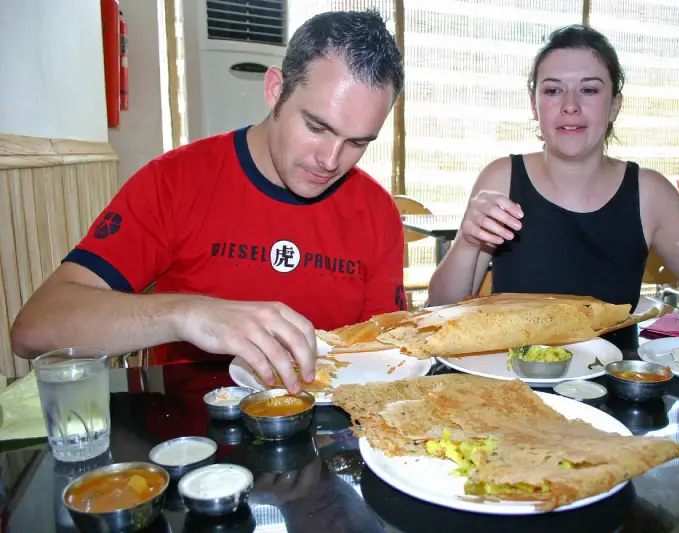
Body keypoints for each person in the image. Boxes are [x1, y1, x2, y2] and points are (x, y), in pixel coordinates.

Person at [11, 10, 406, 393]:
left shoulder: (376, 213)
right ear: (275, 89)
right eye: (317, 127)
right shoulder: (175, 182)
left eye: (357, 142)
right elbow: (34, 329)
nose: (331, 160)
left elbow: (386, 355)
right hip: (185, 441)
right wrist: (188, 313)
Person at [427, 25, 679, 348]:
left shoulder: (651, 192)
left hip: (615, 387)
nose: (570, 105)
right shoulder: (501, 179)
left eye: (589, 90)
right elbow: (438, 309)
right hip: (516, 383)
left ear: (615, 105)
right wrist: (467, 242)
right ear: (534, 106)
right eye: (553, 91)